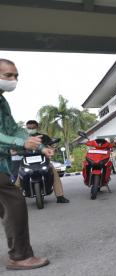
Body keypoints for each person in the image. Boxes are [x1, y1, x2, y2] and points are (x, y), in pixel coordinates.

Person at [0, 58, 50, 270]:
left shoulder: (2, 102)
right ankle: (20, 256)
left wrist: (38, 146)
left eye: (16, 76)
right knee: (14, 203)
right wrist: (22, 142)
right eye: (8, 75)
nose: (14, 80)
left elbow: (12, 129)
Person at [13, 120, 69, 203]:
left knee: (54, 174)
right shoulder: (22, 138)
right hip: (26, 161)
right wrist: (17, 151)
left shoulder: (44, 137)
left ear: (37, 127)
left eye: (33, 128)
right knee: (19, 178)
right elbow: (16, 148)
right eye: (29, 128)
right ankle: (12, 200)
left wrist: (52, 148)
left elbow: (51, 146)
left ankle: (60, 196)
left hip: (43, 159)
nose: (31, 129)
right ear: (26, 128)